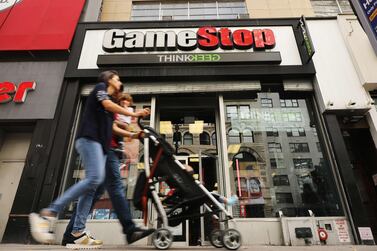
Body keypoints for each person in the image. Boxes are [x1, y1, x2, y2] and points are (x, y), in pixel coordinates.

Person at [29, 70, 151, 248]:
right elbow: (108, 105)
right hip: (89, 140)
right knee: (94, 179)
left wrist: (134, 133)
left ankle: (77, 232)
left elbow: (114, 128)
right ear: (108, 80)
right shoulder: (100, 89)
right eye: (117, 79)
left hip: (99, 145)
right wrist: (134, 114)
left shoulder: (109, 108)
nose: (119, 82)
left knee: (93, 186)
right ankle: (47, 214)